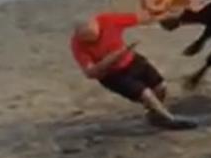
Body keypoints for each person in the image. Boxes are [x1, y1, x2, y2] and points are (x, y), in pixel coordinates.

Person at [71, 7, 203, 130]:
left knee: (160, 86)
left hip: (132, 60)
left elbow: (139, 18)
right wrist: (110, 59)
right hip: (111, 75)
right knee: (146, 94)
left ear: (96, 24)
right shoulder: (77, 45)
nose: (90, 40)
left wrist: (165, 15)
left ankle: (154, 115)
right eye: (85, 38)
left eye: (92, 35)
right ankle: (171, 120)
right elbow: (90, 73)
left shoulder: (108, 20)